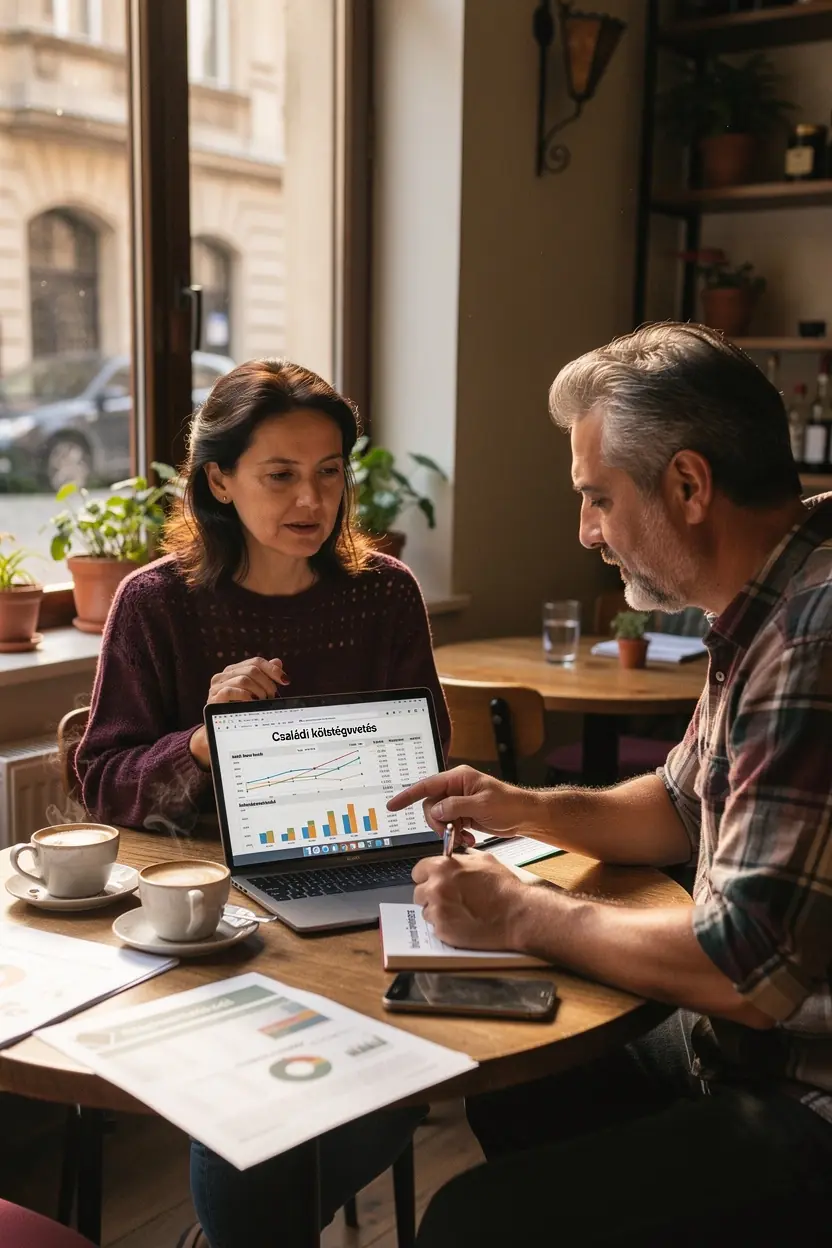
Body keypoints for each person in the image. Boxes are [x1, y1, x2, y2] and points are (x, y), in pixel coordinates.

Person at [388, 324, 832, 1245]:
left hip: (805, 1087)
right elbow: (677, 802)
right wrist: (522, 804)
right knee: (519, 1064)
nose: (586, 531)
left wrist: (519, 911)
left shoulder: (813, 638)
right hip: (751, 1046)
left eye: (597, 499)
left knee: (470, 1225)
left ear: (688, 486)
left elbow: (749, 970)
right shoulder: (769, 598)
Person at [75, 358, 449, 1248]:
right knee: (255, 1084)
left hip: (361, 892)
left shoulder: (383, 594)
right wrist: (202, 741)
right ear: (218, 477)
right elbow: (102, 782)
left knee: (418, 1051)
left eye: (328, 472)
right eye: (279, 474)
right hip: (204, 917)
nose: (309, 500)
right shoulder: (155, 603)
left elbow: (428, 751)